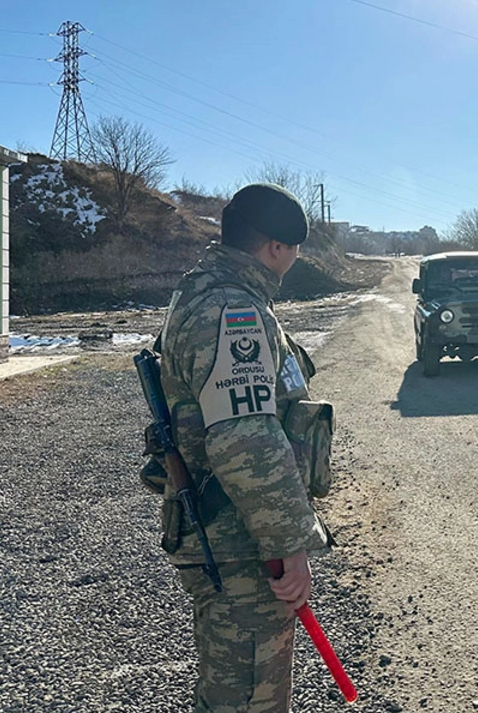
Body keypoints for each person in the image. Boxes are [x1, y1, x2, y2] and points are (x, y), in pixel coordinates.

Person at [152, 183, 334, 712]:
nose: (296, 258)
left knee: (233, 691)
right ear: (276, 247)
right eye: (294, 248)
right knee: (250, 697)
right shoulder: (232, 308)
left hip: (233, 534)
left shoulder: (208, 290)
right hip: (242, 544)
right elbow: (245, 439)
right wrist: (288, 545)